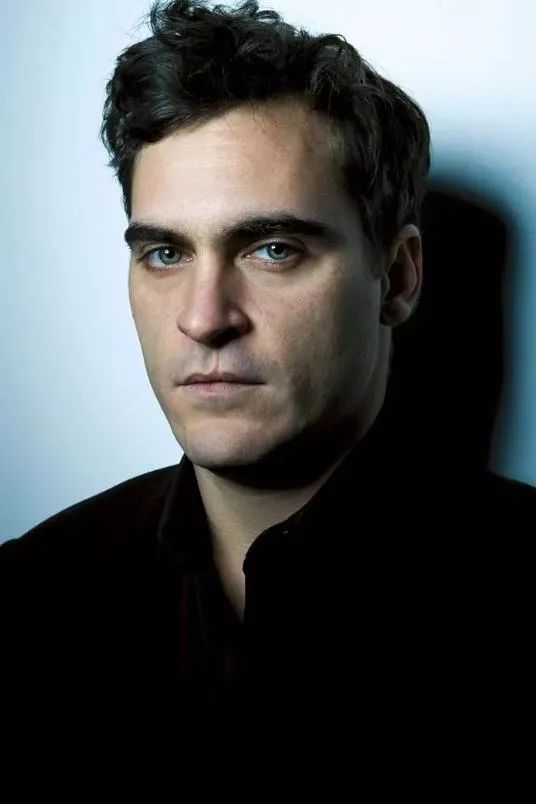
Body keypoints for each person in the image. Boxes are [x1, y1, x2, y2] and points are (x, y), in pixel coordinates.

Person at [1, 0, 533, 800]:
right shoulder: (30, 596)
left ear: (397, 278)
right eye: (166, 252)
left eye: (272, 249)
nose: (204, 317)